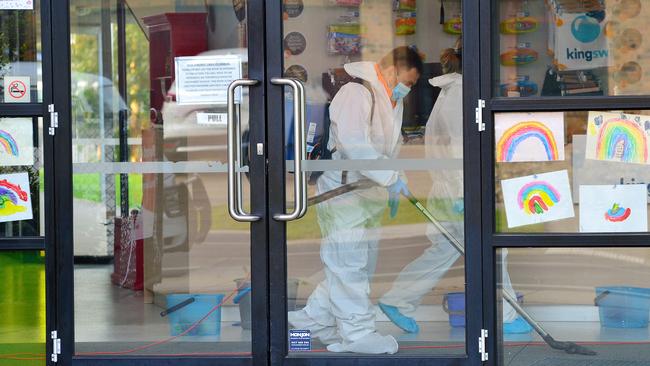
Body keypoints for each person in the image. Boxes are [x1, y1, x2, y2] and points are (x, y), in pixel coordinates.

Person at [377, 41, 533, 335]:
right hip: (459, 189)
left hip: (451, 188)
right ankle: (507, 316)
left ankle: (398, 300)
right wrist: (465, 193)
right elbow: (460, 149)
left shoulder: (452, 92)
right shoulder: (461, 94)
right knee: (494, 250)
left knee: (445, 250)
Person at [288, 46, 423, 354]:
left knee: (353, 264)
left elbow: (389, 147)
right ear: (391, 70)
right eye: (408, 81)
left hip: (365, 192)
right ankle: (357, 333)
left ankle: (313, 319)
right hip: (341, 192)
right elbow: (355, 146)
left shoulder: (391, 99)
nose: (408, 88)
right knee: (348, 264)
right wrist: (390, 178)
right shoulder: (356, 92)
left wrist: (394, 178)